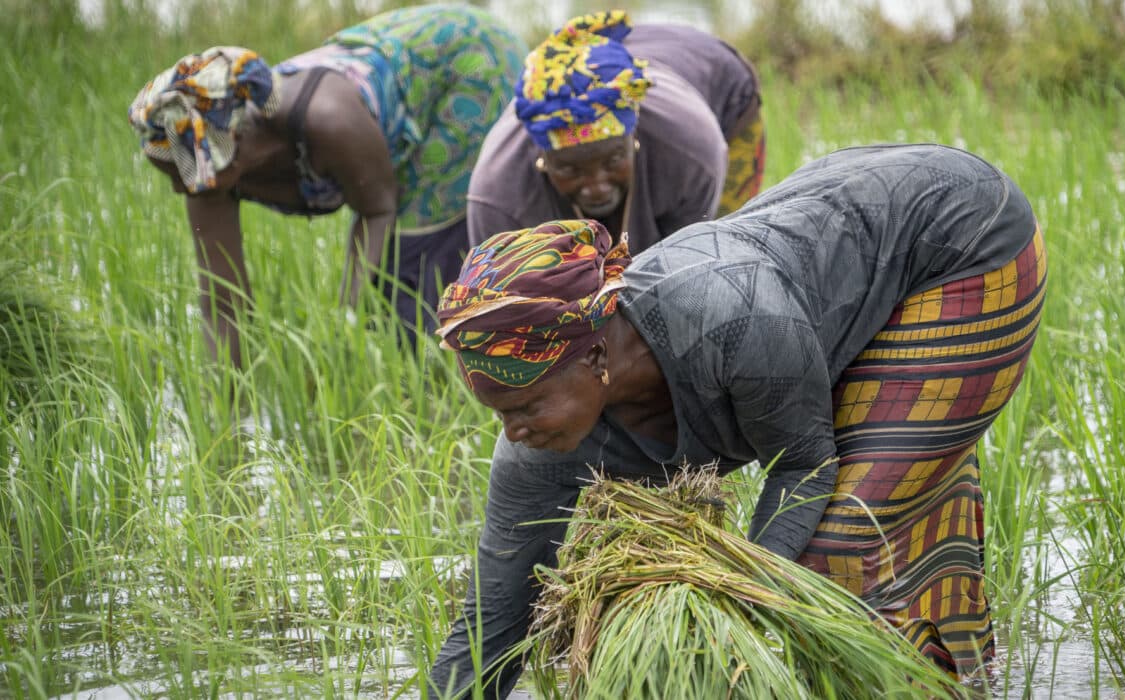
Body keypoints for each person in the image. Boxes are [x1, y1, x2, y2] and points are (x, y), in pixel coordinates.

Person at [428, 143, 1048, 697]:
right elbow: (493, 618)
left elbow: (804, 467)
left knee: (836, 546)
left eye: (526, 406)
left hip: (961, 238)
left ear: (594, 357)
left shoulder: (730, 321)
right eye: (499, 414)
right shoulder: (537, 449)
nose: (513, 432)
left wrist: (734, 601)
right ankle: (964, 680)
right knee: (868, 506)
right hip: (831, 278)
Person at [127, 4, 525, 367]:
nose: (181, 189)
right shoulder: (205, 173)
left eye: (182, 173)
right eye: (173, 173)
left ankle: (458, 373)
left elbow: (377, 210)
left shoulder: (327, 119)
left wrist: (343, 321)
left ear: (236, 142)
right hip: (402, 83)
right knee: (384, 306)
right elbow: (222, 300)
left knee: (410, 273)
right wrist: (227, 400)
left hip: (467, 63)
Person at [465, 10, 764, 256]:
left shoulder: (689, 152)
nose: (596, 187)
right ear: (543, 157)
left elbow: (691, 267)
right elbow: (503, 297)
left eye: (612, 161)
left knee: (724, 254)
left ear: (632, 138)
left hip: (721, 90)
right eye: (570, 170)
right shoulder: (497, 195)